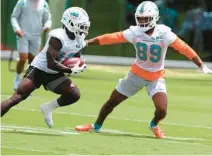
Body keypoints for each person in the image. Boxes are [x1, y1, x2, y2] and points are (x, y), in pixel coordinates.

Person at [75, 1, 212, 138]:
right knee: (111, 102)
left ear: (154, 18)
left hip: (155, 77)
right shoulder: (135, 32)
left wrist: (201, 65)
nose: (142, 21)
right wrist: (87, 42)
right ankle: (96, 126)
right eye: (140, 18)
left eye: (146, 18)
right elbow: (111, 38)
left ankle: (154, 124)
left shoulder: (164, 33)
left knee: (162, 110)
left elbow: (184, 48)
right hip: (136, 75)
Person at [1, 7, 90, 128]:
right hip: (38, 70)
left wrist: (79, 65)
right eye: (81, 25)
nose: (83, 29)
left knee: (74, 94)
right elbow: (51, 63)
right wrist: (69, 69)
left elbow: (76, 58)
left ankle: (48, 108)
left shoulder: (80, 41)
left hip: (54, 74)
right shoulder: (57, 37)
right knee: (16, 98)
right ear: (70, 23)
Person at [11, 0, 52, 90]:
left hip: (36, 36)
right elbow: (14, 17)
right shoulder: (22, 2)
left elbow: (48, 18)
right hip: (23, 35)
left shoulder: (44, 4)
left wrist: (46, 26)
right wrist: (17, 29)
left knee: (32, 61)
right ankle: (17, 79)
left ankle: (26, 83)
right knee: (23, 58)